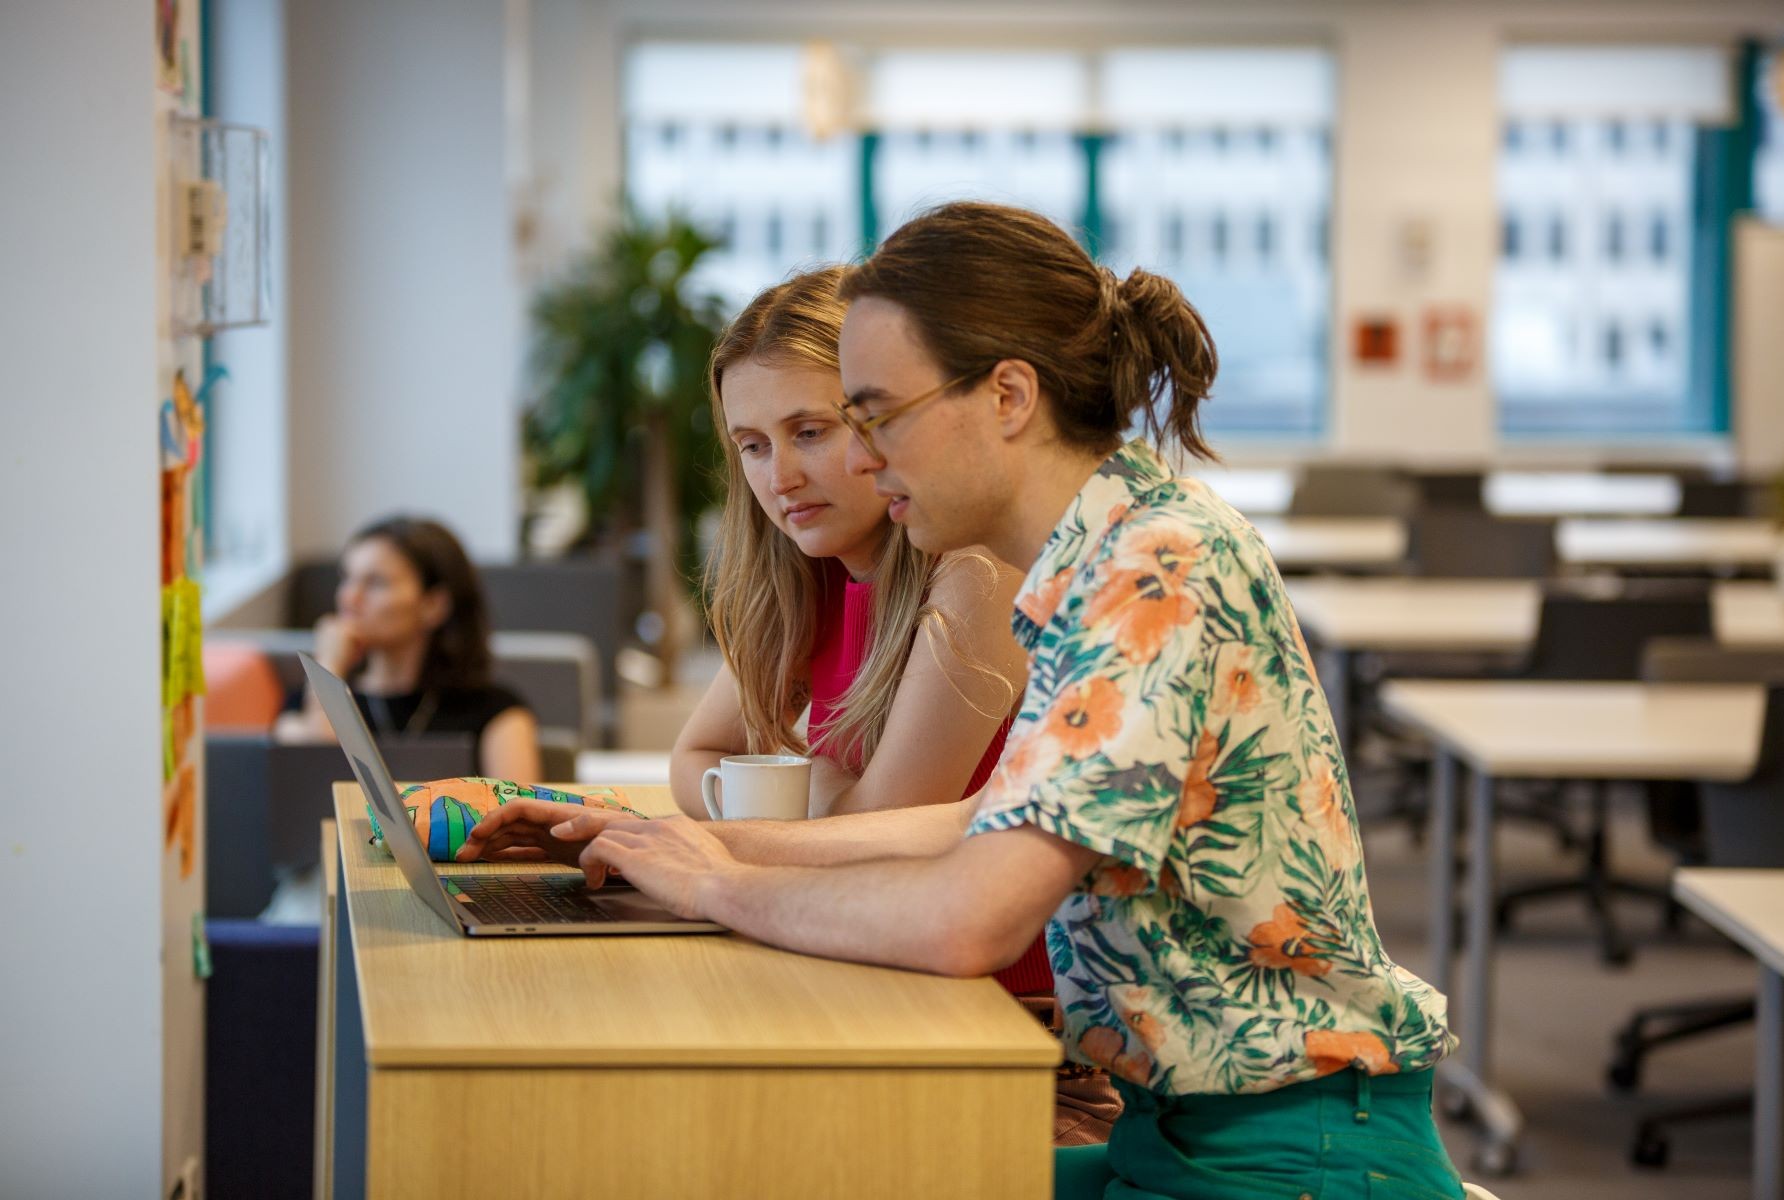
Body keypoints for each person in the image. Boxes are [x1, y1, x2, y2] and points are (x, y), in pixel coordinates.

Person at [459, 202, 1460, 1199]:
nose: (860, 456)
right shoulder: (1097, 557)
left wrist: (715, 884)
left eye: (875, 414)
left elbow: (966, 920)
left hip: (1296, 1150)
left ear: (1009, 396)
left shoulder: (1157, 573)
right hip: (1193, 1131)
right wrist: (658, 846)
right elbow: (980, 823)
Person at [669, 266, 1029, 825]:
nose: (779, 478)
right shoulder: (806, 576)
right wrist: (821, 789)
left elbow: (879, 831)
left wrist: (803, 781)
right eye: (754, 446)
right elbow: (695, 761)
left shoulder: (978, 570)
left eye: (810, 433)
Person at [276, 515, 540, 781]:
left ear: (433, 605)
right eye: (347, 578)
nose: (348, 597)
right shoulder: (307, 705)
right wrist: (327, 668)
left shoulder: (496, 711)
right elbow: (316, 785)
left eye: (376, 582)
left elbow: (520, 815)